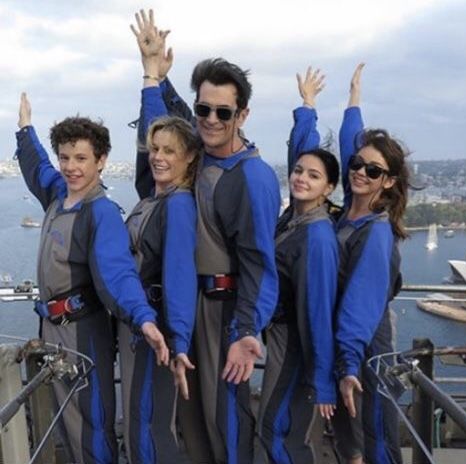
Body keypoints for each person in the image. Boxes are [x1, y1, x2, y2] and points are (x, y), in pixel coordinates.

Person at [131, 10, 281, 463]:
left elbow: (259, 262)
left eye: (223, 112)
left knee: (226, 420)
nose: (211, 119)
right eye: (203, 109)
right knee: (191, 420)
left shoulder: (251, 177)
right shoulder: (197, 153)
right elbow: (165, 134)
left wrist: (245, 331)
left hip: (224, 315)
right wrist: (152, 76)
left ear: (243, 114)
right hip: (189, 309)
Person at [16, 92, 169, 464]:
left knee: (93, 421)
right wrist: (25, 130)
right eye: (65, 157)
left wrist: (144, 318)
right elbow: (38, 168)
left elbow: (117, 273)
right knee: (69, 422)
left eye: (81, 158)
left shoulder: (100, 212)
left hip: (83, 328)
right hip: (53, 327)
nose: (72, 167)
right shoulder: (58, 196)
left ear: (101, 161)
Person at [290, 64, 409, 464]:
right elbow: (346, 148)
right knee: (348, 444)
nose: (359, 172)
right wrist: (336, 104)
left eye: (373, 170)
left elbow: (360, 307)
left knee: (370, 445)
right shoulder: (345, 216)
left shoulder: (375, 232)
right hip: (349, 349)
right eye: (357, 165)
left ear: (388, 181)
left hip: (365, 353)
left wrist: (346, 365)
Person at [257, 68, 339, 464]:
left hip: (294, 342)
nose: (301, 178)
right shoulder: (295, 218)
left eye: (314, 176)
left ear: (329, 189)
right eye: (298, 172)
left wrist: (323, 381)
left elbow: (318, 310)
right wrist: (307, 107)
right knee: (278, 427)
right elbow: (304, 151)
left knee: (277, 428)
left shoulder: (317, 237)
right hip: (280, 336)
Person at [119, 113, 200, 463]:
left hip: (157, 332)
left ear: (189, 157)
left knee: (149, 422)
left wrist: (179, 340)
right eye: (154, 148)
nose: (158, 157)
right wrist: (150, 78)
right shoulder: (154, 198)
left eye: (169, 150)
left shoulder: (179, 204)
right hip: (141, 326)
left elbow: (180, 275)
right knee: (141, 418)